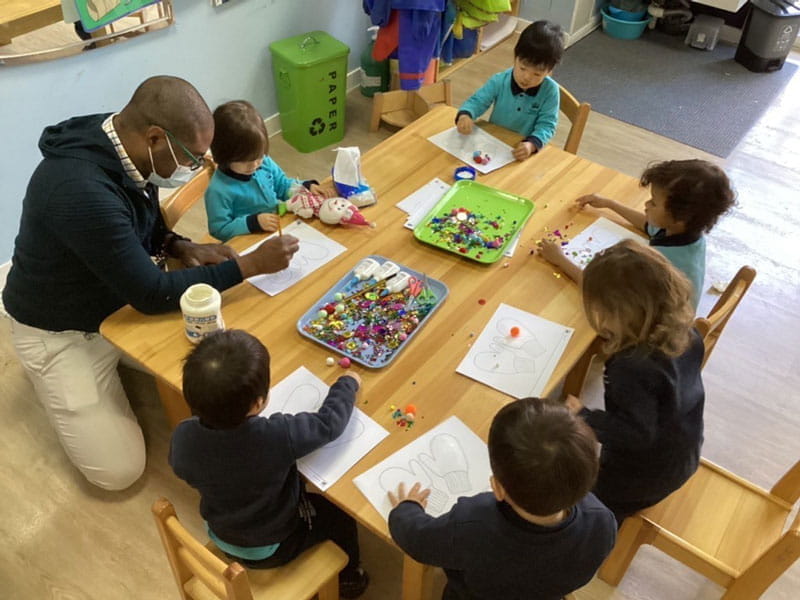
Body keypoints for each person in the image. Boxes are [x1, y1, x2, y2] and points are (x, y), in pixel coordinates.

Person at [3, 76, 300, 491]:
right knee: (119, 473)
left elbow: (139, 220)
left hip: (117, 300)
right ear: (156, 138)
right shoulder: (80, 190)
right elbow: (151, 293)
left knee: (221, 366)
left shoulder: (121, 142)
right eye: (194, 158)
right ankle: (50, 378)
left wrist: (176, 244)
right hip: (62, 330)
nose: (200, 167)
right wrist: (249, 265)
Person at [169, 329, 369, 598]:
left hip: (221, 532)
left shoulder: (183, 436)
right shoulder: (274, 435)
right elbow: (328, 424)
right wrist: (348, 383)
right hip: (273, 546)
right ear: (259, 402)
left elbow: (182, 468)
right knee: (339, 515)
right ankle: (349, 580)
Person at [387, 397, 617, 600]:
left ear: (497, 488)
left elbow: (419, 541)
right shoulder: (603, 522)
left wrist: (406, 510)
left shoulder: (473, 523)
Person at [565, 240, 705, 526]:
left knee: (589, 510)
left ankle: (598, 533)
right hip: (682, 453)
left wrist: (584, 417)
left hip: (642, 477)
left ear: (619, 312)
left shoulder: (631, 367)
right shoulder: (686, 333)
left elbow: (635, 434)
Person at [540, 159, 736, 308]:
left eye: (653, 202)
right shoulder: (688, 233)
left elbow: (599, 290)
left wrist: (559, 259)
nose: (646, 205)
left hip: (650, 341)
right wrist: (610, 204)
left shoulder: (656, 265)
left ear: (680, 217)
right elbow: (649, 226)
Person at [205, 100, 335, 242]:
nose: (254, 165)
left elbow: (283, 185)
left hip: (277, 228)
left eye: (259, 156)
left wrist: (305, 187)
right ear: (224, 155)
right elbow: (219, 229)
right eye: (245, 161)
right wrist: (253, 223)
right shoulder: (218, 190)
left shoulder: (264, 163)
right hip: (248, 242)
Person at [455, 20, 565, 161]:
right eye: (522, 68)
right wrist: (466, 115)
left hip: (524, 151)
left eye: (537, 74)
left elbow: (547, 125)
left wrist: (531, 145)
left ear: (549, 71)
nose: (526, 77)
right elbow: (478, 101)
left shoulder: (550, 91)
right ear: (515, 58)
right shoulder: (501, 80)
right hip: (494, 143)